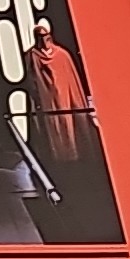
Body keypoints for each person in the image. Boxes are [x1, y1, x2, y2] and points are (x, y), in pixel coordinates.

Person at [24, 24, 93, 163]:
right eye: (40, 36)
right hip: (46, 101)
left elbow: (71, 82)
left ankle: (74, 155)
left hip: (65, 100)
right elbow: (31, 81)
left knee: (68, 125)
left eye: (45, 36)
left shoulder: (62, 55)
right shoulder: (31, 57)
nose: (43, 40)